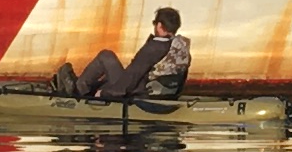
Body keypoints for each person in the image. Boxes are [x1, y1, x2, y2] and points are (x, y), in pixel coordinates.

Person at [56, 7, 191, 106]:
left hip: (141, 95)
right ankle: (85, 87)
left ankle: (77, 92)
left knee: (106, 56)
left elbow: (133, 75)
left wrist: (104, 94)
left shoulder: (153, 48)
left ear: (159, 25)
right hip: (164, 95)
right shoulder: (180, 48)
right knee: (106, 81)